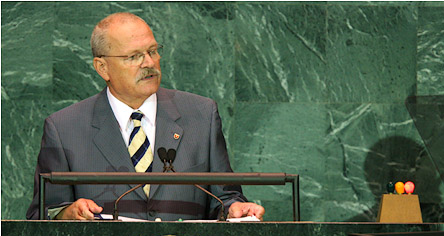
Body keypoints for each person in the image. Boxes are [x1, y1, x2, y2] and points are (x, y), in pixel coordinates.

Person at [26, 12, 265, 221]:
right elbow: (43, 213)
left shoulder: (201, 115)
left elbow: (224, 197)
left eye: (152, 51)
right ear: (102, 68)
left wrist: (234, 209)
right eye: (134, 56)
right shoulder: (64, 128)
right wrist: (67, 213)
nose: (149, 63)